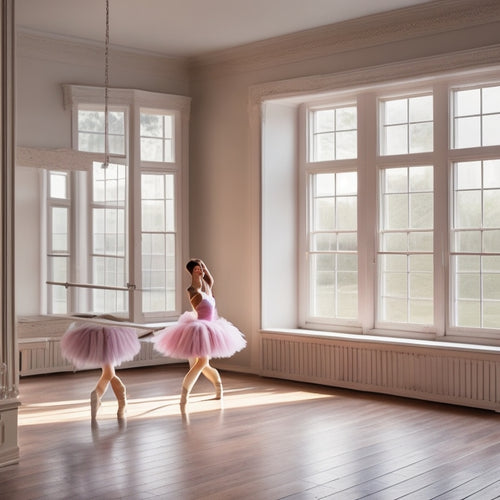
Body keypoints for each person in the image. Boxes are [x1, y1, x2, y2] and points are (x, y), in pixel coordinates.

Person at [153, 259, 246, 405]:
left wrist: (202, 264)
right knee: (202, 362)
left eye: (201, 269)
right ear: (192, 273)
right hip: (199, 330)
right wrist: (195, 273)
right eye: (196, 269)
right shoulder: (193, 290)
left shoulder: (208, 288)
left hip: (210, 328)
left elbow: (209, 279)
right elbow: (196, 285)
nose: (200, 270)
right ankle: (185, 394)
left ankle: (218, 389)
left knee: (204, 364)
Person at [60, 322, 141, 421]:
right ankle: (115, 401)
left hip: (95, 329)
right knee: (108, 373)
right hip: (110, 331)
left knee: (108, 373)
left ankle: (108, 399)